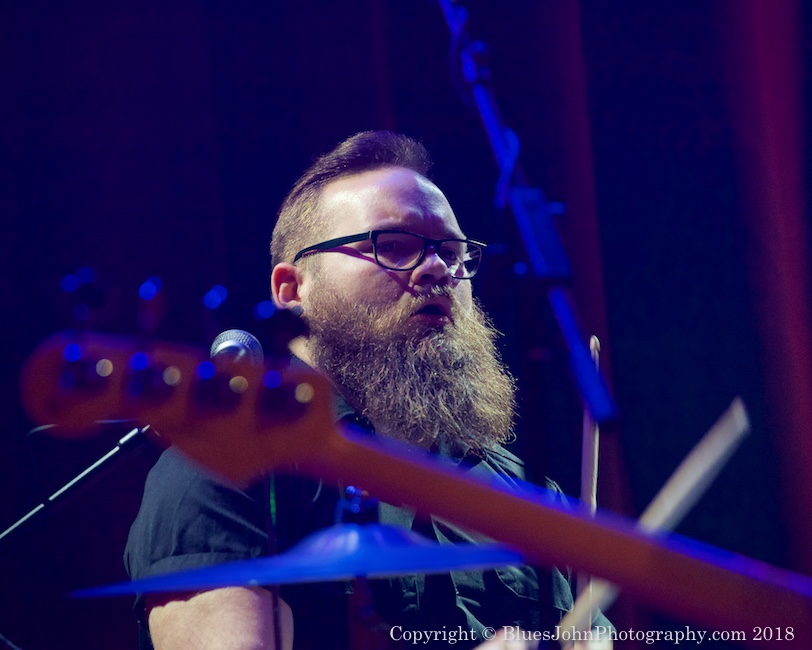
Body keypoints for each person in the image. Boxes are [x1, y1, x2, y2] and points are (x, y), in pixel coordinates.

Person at [125, 131, 611, 649]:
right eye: (393, 246)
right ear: (292, 288)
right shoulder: (230, 467)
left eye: (453, 254)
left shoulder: (528, 495)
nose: (437, 270)